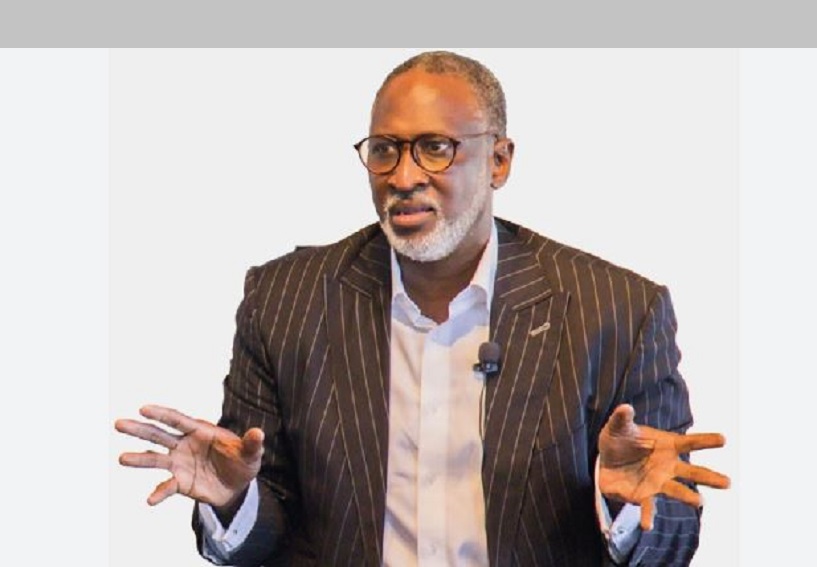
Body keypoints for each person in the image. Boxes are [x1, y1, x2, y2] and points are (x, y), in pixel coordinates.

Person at [115, 50, 730, 566]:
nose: (404, 176)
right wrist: (233, 501)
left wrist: (622, 504)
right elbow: (265, 522)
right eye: (385, 149)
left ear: (499, 160)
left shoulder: (618, 311)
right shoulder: (285, 301)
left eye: (435, 148)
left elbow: (672, 537)